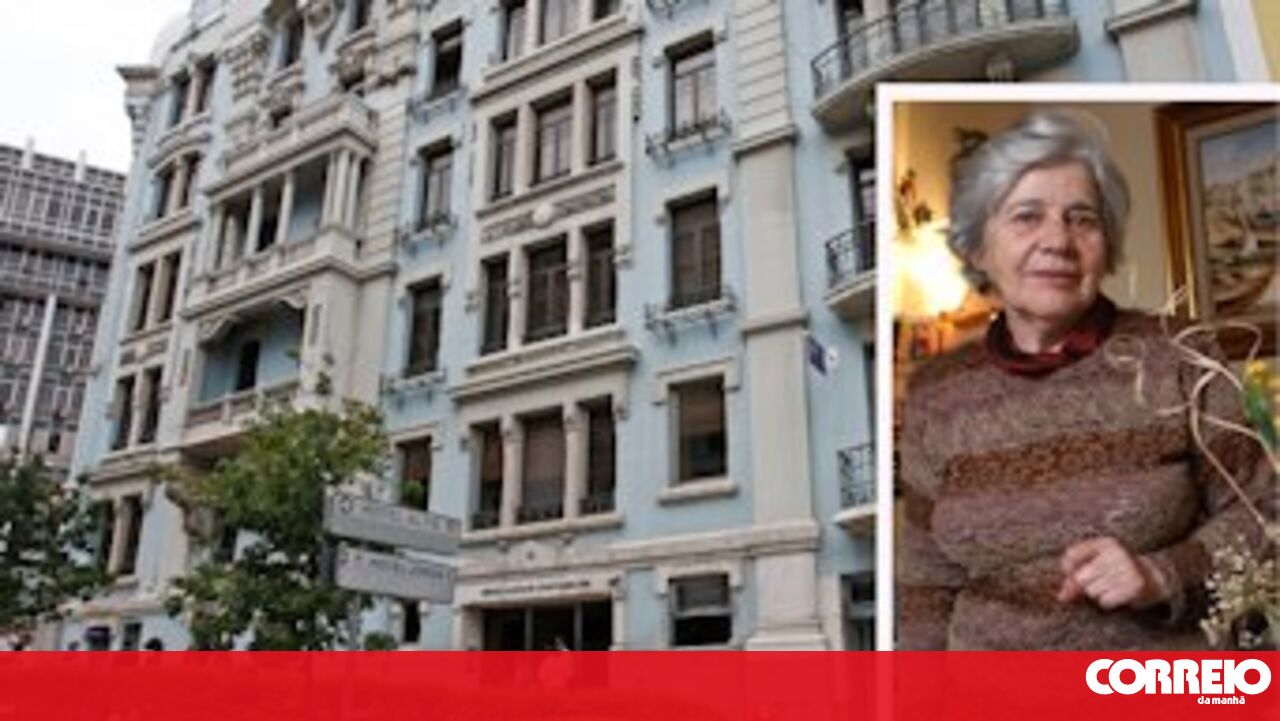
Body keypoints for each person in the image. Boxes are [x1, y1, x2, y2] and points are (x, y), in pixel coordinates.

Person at [897, 110, 1276, 650]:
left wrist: (1161, 575)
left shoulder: (1177, 356)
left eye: (1082, 219)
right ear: (979, 247)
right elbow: (925, 582)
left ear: (1108, 244)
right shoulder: (938, 394)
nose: (1058, 240)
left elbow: (1265, 513)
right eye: (1027, 217)